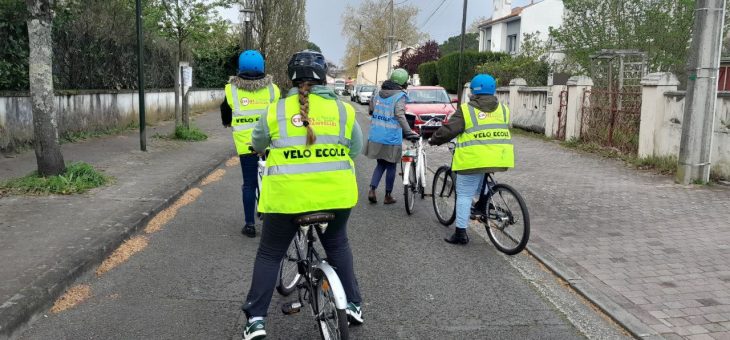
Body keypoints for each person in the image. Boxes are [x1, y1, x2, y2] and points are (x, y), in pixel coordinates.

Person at [241, 50, 364, 340]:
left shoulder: (276, 110)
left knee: (270, 254)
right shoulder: (344, 110)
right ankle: (355, 305)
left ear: (292, 78)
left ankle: (256, 320)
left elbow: (258, 141)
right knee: (338, 245)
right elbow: (355, 150)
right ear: (323, 77)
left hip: (287, 200)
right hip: (337, 197)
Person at [428, 74, 514, 245]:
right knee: (482, 179)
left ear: (473, 91)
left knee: (465, 195)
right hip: (500, 156)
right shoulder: (504, 109)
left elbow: (449, 130)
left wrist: (434, 140)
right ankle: (483, 204)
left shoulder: (466, 110)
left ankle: (460, 233)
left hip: (473, 159)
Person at [221, 50, 281, 238]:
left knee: (249, 184)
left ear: (240, 68)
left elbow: (226, 116)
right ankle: (265, 213)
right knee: (269, 180)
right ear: (263, 67)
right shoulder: (273, 90)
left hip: (246, 146)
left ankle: (249, 225)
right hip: (270, 144)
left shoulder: (231, 90)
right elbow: (279, 114)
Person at [363, 68, 419, 204]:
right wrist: (409, 132)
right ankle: (388, 196)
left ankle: (372, 189)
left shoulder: (379, 93)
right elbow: (400, 115)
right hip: (391, 138)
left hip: (376, 136)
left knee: (380, 164)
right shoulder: (399, 96)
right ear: (403, 83)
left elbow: (371, 110)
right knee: (391, 166)